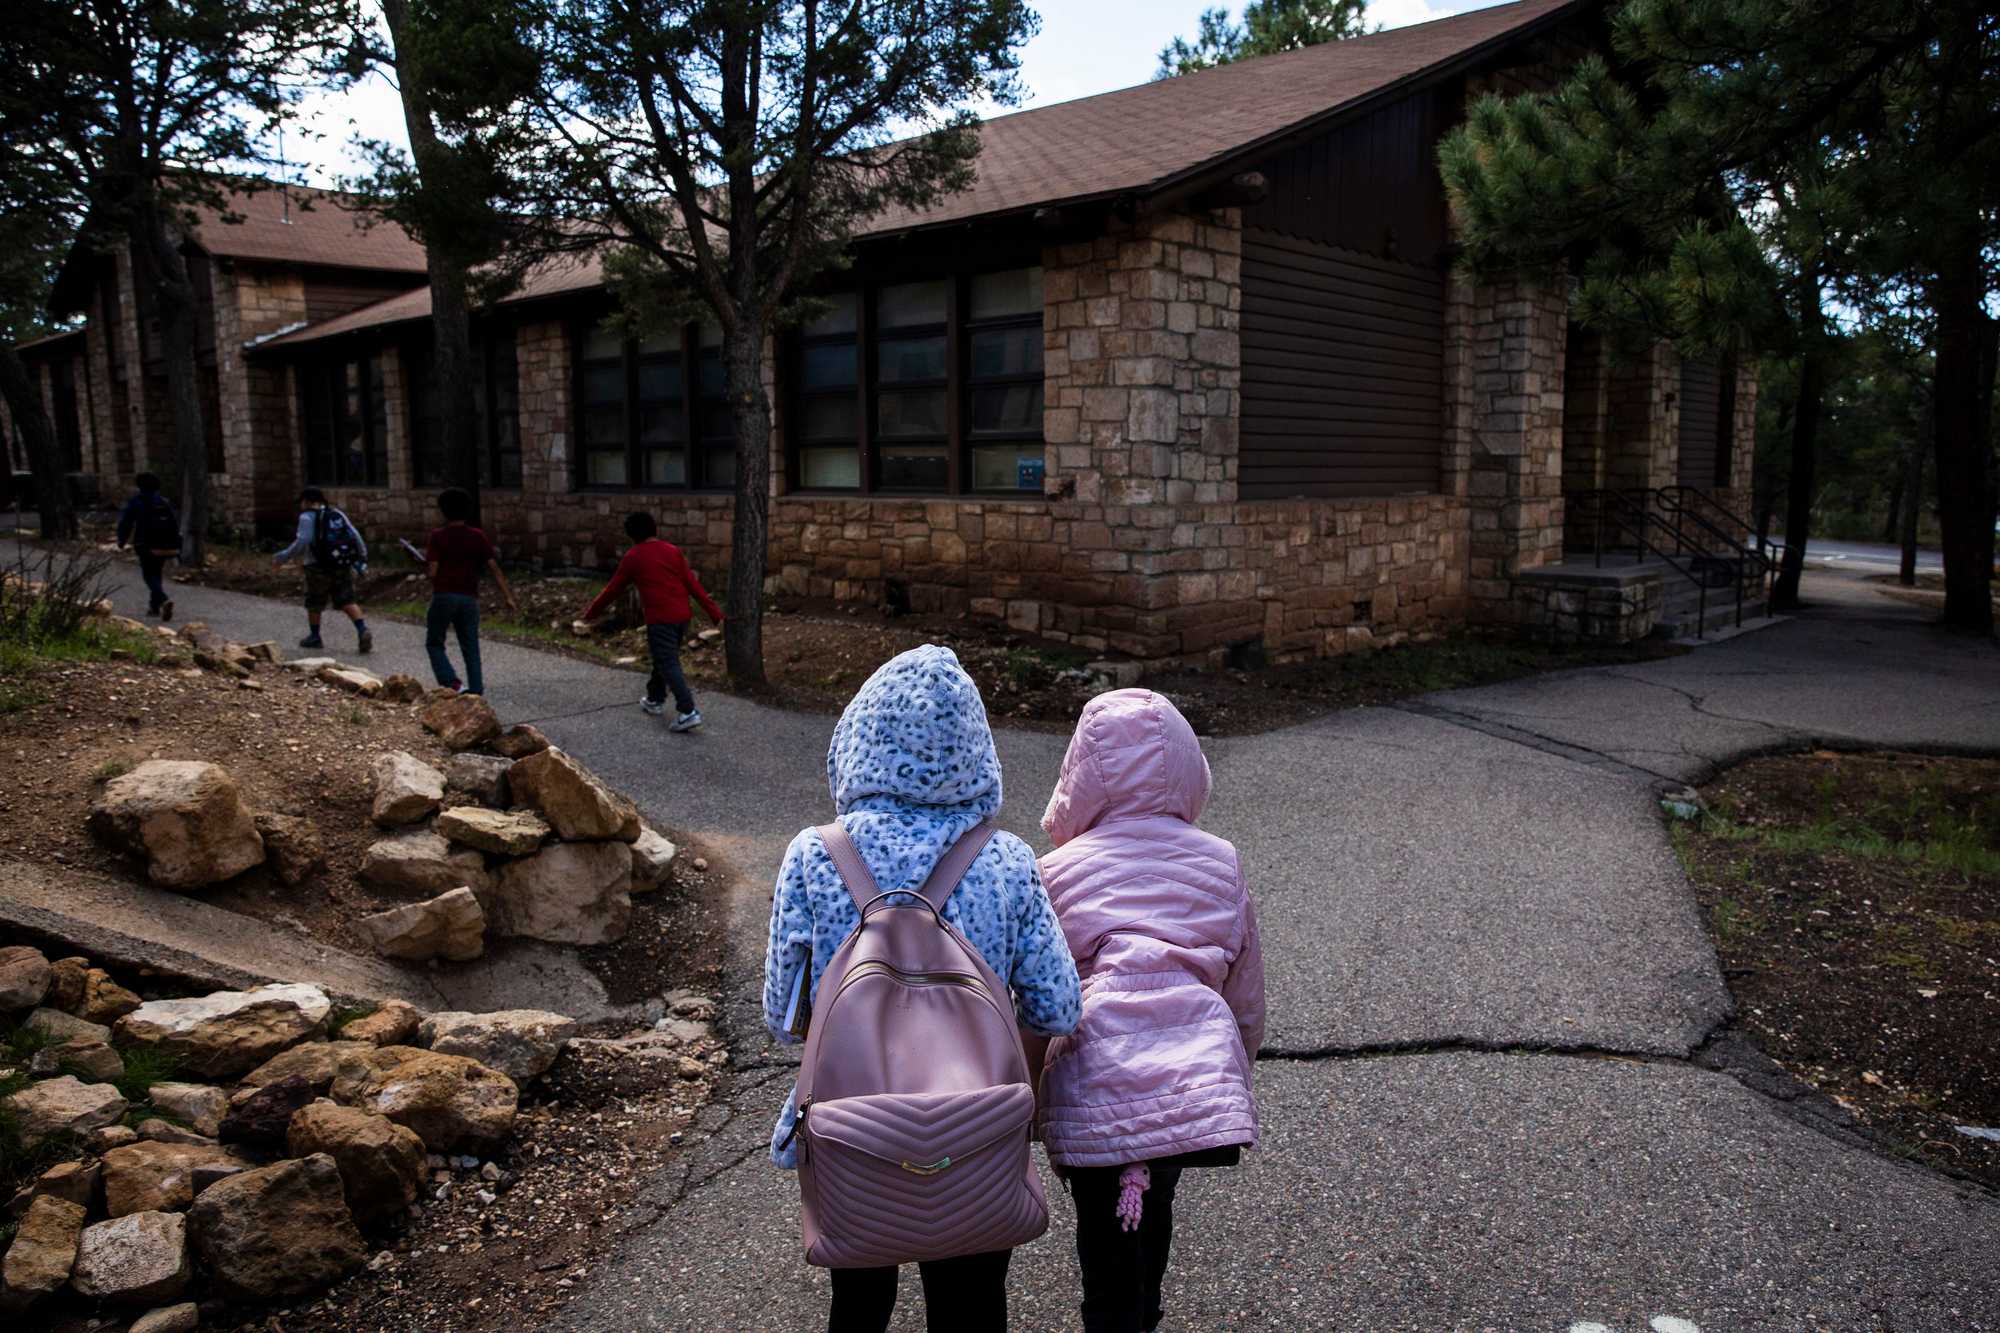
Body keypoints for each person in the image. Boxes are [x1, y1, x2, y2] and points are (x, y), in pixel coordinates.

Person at [761, 645, 1081, 1333]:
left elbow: (782, 1014)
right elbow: (1058, 1004)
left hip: (853, 1125)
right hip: (978, 1121)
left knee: (860, 1303)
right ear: (978, 749)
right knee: (971, 1305)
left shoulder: (816, 853)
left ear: (857, 739)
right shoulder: (1008, 858)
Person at [1035, 688, 1264, 1333]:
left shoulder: (1055, 871)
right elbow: (1243, 990)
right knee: (1153, 1199)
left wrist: (1026, 1091)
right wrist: (1235, 1075)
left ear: (1080, 775)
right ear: (1190, 769)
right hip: (1188, 1072)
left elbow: (1037, 993)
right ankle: (1145, 1310)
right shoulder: (1221, 862)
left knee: (1100, 1227)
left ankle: (1112, 1315)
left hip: (1091, 1071)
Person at [578, 511, 722, 732]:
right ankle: (655, 699)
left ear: (631, 535)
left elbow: (613, 590)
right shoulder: (673, 551)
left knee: (668, 662)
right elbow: (693, 585)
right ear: (654, 529)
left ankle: (688, 711)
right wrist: (715, 614)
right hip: (682, 616)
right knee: (662, 658)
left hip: (661, 618)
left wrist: (590, 614)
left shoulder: (633, 557)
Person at [423, 487, 518, 697]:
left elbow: (433, 571)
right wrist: (508, 597)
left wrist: (421, 564)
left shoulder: (438, 536)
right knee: (471, 646)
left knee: (434, 642)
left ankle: (453, 684)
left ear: (443, 511)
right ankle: (476, 692)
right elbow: (494, 568)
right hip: (469, 598)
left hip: (444, 595)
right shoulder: (478, 536)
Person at [273, 486, 372, 653]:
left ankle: (315, 636)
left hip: (316, 566)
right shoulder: (337, 514)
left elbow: (303, 541)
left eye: (302, 502)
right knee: (347, 599)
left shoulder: (306, 517)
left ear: (307, 501)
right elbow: (354, 534)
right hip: (341, 563)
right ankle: (362, 629)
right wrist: (362, 556)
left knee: (314, 601)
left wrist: (283, 557)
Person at [114, 472, 178, 621]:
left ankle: (163, 599)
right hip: (165, 544)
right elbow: (174, 523)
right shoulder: (164, 502)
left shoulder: (137, 502)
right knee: (157, 572)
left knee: (149, 575)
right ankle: (154, 607)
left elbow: (126, 523)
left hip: (145, 543)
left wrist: (121, 541)